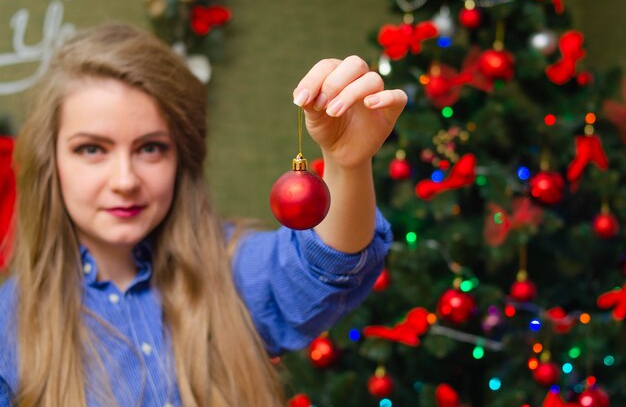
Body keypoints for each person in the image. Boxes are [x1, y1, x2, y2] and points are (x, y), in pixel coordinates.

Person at [0, 23, 407, 406]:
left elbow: (325, 266)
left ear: (182, 159)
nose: (124, 180)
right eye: (91, 149)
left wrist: (347, 165)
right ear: (50, 160)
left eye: (150, 148)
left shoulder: (232, 270)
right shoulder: (8, 325)